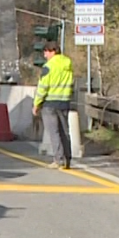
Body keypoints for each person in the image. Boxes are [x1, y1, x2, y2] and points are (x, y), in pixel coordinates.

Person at [33, 41, 74, 169]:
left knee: (54, 132)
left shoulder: (48, 67)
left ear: (53, 51)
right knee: (65, 132)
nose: (45, 55)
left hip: (50, 103)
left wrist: (36, 104)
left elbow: (42, 87)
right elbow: (72, 83)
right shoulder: (68, 64)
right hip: (64, 102)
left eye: (46, 52)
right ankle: (67, 159)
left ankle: (58, 160)